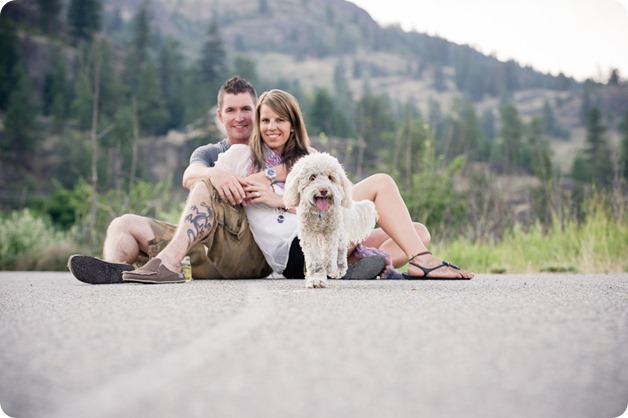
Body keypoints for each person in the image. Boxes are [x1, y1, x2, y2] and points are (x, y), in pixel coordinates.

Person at [121, 89, 473, 283]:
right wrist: (215, 175)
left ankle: (358, 261)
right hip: (293, 250)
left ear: (293, 124)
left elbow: (314, 198)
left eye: (281, 120)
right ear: (258, 125)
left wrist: (278, 196)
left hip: (325, 228)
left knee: (418, 231)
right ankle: (414, 263)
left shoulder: (310, 162)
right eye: (266, 120)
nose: (272, 127)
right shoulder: (243, 157)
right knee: (381, 183)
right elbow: (201, 177)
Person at [68, 77, 385, 284]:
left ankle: (166, 264)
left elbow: (313, 188)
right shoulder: (217, 153)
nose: (240, 118)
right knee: (123, 224)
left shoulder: (295, 158)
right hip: (209, 234)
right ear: (219, 116)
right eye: (231, 110)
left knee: (382, 226)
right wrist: (214, 173)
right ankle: (115, 271)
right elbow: (190, 176)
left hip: (249, 245)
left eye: (248, 109)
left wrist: (276, 179)